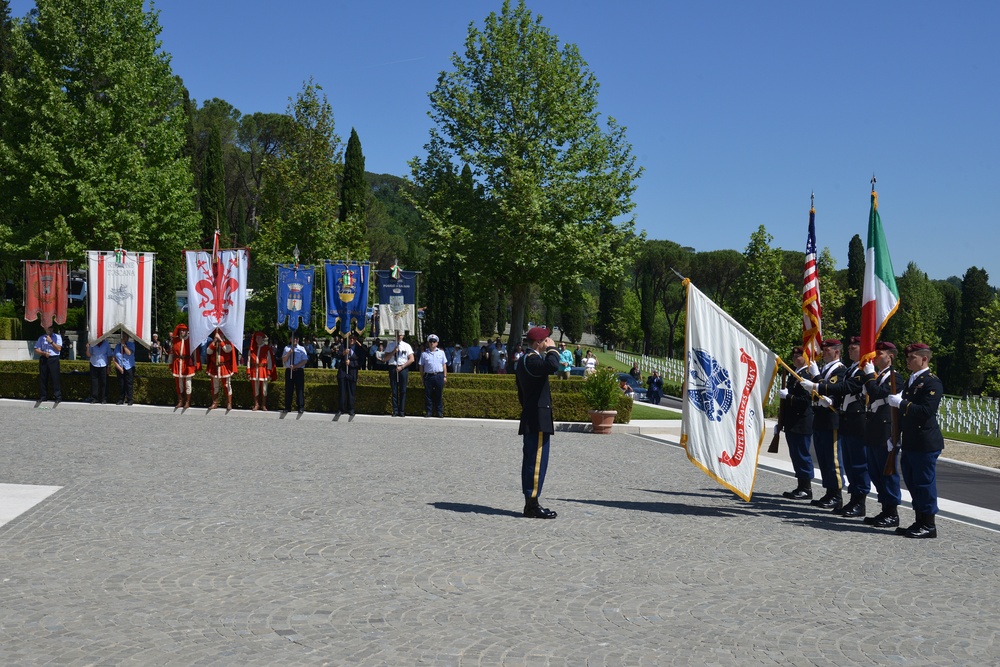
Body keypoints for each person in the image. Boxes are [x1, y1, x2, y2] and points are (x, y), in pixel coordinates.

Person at [804, 336, 869, 517]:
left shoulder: (846, 370)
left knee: (838, 461)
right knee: (826, 459)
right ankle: (832, 493)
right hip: (828, 417)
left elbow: (842, 387)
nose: (851, 350)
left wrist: (817, 383)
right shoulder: (850, 369)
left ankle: (843, 497)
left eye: (854, 347)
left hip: (837, 420)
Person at [888, 343, 945, 539]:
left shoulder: (931, 382)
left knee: (924, 484)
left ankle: (929, 525)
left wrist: (902, 403)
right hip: (910, 442)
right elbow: (903, 417)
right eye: (908, 357)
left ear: (924, 359)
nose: (908, 360)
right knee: (913, 483)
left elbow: (925, 412)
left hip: (925, 443)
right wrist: (894, 436)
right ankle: (919, 520)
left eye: (912, 357)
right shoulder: (913, 381)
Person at [516, 326, 561, 519]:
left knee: (534, 460)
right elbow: (552, 365)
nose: (548, 342)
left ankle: (531, 502)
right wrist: (553, 350)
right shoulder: (531, 360)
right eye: (546, 340)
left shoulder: (527, 360)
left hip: (534, 416)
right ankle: (532, 503)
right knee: (536, 462)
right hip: (537, 419)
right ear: (537, 343)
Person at [861, 341, 904, 528]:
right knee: (875, 472)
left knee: (888, 473)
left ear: (890, 356)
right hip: (874, 429)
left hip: (886, 431)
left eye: (879, 353)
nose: (875, 356)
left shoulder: (895, 377)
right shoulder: (880, 377)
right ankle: (884, 509)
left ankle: (892, 512)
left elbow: (877, 394)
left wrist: (869, 376)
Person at [806, 339, 847, 510]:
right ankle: (828, 492)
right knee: (822, 458)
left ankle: (836, 495)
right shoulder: (825, 369)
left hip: (832, 420)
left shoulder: (840, 370)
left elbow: (831, 388)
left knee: (833, 460)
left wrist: (816, 378)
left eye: (827, 350)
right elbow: (819, 392)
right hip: (821, 418)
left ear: (837, 352)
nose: (823, 352)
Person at [780, 346, 816, 500]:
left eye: (799, 355)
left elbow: (804, 401)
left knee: (802, 455)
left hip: (802, 421)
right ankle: (800, 485)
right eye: (793, 354)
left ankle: (806, 488)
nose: (795, 357)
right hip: (792, 422)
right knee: (795, 455)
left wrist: (788, 397)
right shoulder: (795, 375)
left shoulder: (807, 375)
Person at [168, 323, 198, 409]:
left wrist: (195, 364)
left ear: (187, 331)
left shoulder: (191, 341)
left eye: (184, 330)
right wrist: (170, 364)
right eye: (181, 330)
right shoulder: (175, 341)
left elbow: (195, 353)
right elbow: (171, 353)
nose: (182, 332)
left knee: (188, 384)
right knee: (179, 384)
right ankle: (180, 401)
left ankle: (187, 402)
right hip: (177, 363)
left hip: (187, 364)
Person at [206, 329, 238, 411]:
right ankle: (214, 403)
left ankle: (229, 403)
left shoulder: (228, 343)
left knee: (227, 385)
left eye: (221, 335)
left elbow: (227, 350)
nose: (220, 336)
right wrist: (214, 342)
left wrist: (220, 341)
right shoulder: (213, 343)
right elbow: (208, 352)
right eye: (218, 334)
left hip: (224, 367)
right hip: (215, 367)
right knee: (214, 386)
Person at [384, 331, 414, 417]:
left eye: (401, 334)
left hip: (403, 367)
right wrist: (393, 352)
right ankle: (395, 411)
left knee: (403, 390)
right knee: (394, 390)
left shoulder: (406, 346)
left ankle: (402, 411)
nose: (399, 336)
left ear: (403, 335)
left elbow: (411, 359)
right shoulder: (390, 345)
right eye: (397, 334)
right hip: (393, 367)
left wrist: (402, 367)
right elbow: (385, 358)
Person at [420, 333, 448, 418]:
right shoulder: (424, 354)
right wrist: (422, 378)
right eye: (431, 341)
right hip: (428, 376)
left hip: (439, 375)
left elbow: (444, 365)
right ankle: (429, 412)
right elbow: (421, 366)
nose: (432, 343)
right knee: (428, 395)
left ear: (437, 343)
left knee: (438, 394)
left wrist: (445, 376)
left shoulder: (441, 352)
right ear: (428, 343)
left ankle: (439, 412)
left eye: (434, 341)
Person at [34, 323, 63, 405]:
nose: (49, 329)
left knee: (55, 378)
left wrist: (51, 342)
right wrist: (43, 353)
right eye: (47, 328)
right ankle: (43, 396)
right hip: (44, 358)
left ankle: (58, 397)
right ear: (45, 328)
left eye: (51, 328)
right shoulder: (41, 338)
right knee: (43, 378)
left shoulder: (57, 337)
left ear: (53, 329)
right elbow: (36, 349)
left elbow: (59, 348)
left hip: (53, 359)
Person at [247, 331, 276, 411]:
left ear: (263, 339)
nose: (257, 339)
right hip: (254, 370)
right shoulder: (252, 348)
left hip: (263, 370)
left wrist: (269, 372)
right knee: (255, 388)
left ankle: (263, 405)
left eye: (259, 338)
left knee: (264, 388)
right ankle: (256, 404)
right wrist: (248, 371)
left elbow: (269, 361)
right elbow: (249, 361)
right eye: (256, 338)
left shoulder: (267, 349)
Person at [282, 332, 308, 414]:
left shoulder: (302, 349)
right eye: (293, 338)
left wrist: (296, 366)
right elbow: (284, 360)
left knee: (299, 389)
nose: (295, 340)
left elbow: (305, 360)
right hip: (289, 370)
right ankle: (287, 406)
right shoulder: (286, 348)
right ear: (290, 339)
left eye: (296, 338)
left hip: (298, 371)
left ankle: (300, 407)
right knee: (288, 389)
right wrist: (289, 352)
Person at [335, 335, 359, 419]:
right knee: (342, 391)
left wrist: (351, 363)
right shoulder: (343, 346)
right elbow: (337, 356)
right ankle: (341, 409)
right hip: (343, 371)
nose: (352, 340)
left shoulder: (359, 348)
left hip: (352, 372)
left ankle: (351, 409)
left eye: (353, 338)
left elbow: (360, 361)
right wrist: (343, 353)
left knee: (351, 391)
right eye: (350, 338)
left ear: (356, 340)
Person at [85, 336, 112, 404]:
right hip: (94, 363)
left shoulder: (106, 344)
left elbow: (109, 355)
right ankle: (94, 398)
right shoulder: (93, 343)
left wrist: (109, 365)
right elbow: (88, 355)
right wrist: (88, 347)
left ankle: (104, 398)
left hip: (103, 364)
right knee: (94, 382)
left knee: (104, 382)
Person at [113, 331, 136, 406]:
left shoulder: (131, 344)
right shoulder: (117, 346)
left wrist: (124, 345)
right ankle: (121, 399)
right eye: (122, 337)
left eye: (125, 337)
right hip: (120, 367)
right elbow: (114, 358)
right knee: (121, 384)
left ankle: (130, 399)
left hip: (129, 366)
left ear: (128, 338)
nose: (123, 338)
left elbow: (129, 353)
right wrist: (118, 367)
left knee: (129, 384)